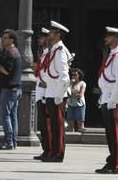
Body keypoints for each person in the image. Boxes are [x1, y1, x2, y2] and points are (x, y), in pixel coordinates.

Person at [96, 26, 118, 174]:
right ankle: (111, 161)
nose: (106, 38)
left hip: (113, 100)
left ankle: (116, 164)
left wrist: (113, 101)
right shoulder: (112, 54)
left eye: (109, 36)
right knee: (109, 133)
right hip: (107, 98)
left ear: (116, 38)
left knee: (115, 133)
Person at [39, 21, 72, 162]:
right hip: (51, 91)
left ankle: (58, 153)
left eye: (52, 32)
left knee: (57, 126)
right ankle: (53, 151)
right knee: (52, 125)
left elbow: (64, 76)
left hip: (57, 93)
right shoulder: (54, 50)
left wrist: (59, 96)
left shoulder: (60, 51)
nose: (49, 34)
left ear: (58, 34)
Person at [34, 27, 51, 159]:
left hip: (47, 91)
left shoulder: (51, 53)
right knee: (42, 124)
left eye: (42, 37)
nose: (39, 40)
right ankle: (46, 149)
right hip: (41, 91)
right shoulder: (44, 53)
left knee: (47, 124)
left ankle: (50, 149)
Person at [66, 68, 86, 132]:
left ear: (79, 75)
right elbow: (66, 93)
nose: (74, 76)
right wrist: (69, 84)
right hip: (70, 104)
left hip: (79, 104)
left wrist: (71, 95)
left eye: (75, 74)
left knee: (80, 123)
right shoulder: (70, 84)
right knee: (70, 123)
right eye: (72, 75)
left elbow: (80, 95)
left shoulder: (82, 83)